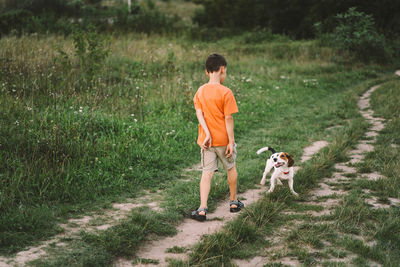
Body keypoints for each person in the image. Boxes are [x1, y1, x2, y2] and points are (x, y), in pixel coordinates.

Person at [191, 53, 244, 222]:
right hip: (223, 140)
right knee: (231, 168)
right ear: (222, 70)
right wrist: (231, 141)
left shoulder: (200, 91)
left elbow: (199, 114)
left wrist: (206, 133)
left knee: (206, 173)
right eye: (225, 71)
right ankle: (234, 202)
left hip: (207, 141)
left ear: (207, 72)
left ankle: (202, 208)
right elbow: (228, 118)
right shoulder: (226, 92)